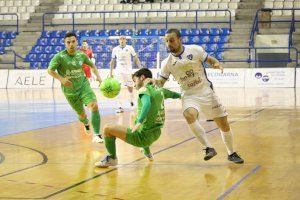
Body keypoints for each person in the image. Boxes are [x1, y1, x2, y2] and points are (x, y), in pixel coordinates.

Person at [148, 29, 244, 164]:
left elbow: (210, 59)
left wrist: (216, 63)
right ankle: (208, 147)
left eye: (171, 40)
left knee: (223, 124)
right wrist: (155, 81)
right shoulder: (167, 63)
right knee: (188, 115)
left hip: (206, 92)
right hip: (189, 95)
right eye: (166, 41)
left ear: (180, 40)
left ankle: (231, 153)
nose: (168, 44)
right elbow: (161, 82)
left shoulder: (195, 50)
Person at [95, 68, 181, 168]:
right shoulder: (160, 90)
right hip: (156, 133)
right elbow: (173, 94)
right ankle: (147, 152)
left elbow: (147, 104)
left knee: (107, 129)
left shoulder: (143, 90)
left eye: (134, 81)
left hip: (143, 138)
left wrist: (139, 122)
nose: (134, 85)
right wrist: (182, 96)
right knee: (141, 120)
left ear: (142, 77)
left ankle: (112, 159)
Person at [47, 32, 103, 143]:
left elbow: (92, 65)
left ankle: (97, 134)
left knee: (94, 106)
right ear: (65, 44)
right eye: (68, 42)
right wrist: (61, 79)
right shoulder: (59, 57)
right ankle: (86, 122)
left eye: (73, 41)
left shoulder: (82, 55)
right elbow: (50, 70)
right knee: (81, 114)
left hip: (83, 86)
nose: (71, 44)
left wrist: (98, 77)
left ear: (77, 42)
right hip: (70, 92)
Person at [110, 35, 142, 113]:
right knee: (118, 88)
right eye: (120, 39)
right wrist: (111, 72)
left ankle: (131, 102)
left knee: (130, 88)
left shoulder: (130, 48)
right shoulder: (115, 49)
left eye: (123, 39)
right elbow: (112, 61)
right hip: (119, 71)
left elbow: (136, 58)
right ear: (118, 41)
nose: (122, 40)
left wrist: (140, 69)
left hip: (128, 71)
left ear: (126, 40)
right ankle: (120, 106)